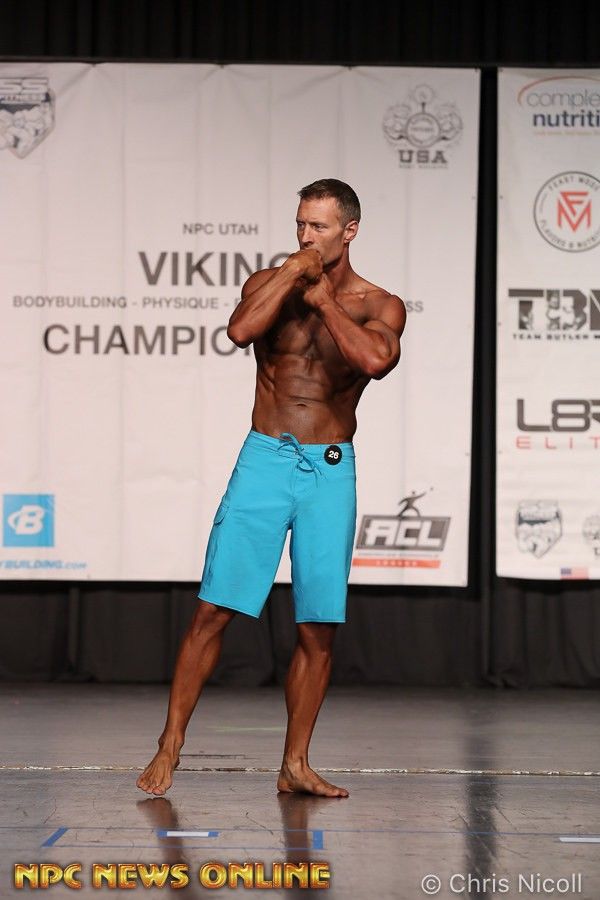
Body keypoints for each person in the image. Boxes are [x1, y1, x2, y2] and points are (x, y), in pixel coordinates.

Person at [137, 178, 406, 799]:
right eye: (301, 224)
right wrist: (292, 276)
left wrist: (324, 301)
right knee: (214, 609)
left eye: (319, 227)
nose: (306, 236)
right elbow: (239, 332)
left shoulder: (379, 303)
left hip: (329, 469)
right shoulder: (269, 283)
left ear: (349, 232)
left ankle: (295, 764)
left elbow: (373, 361)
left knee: (318, 628)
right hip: (265, 459)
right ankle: (170, 742)